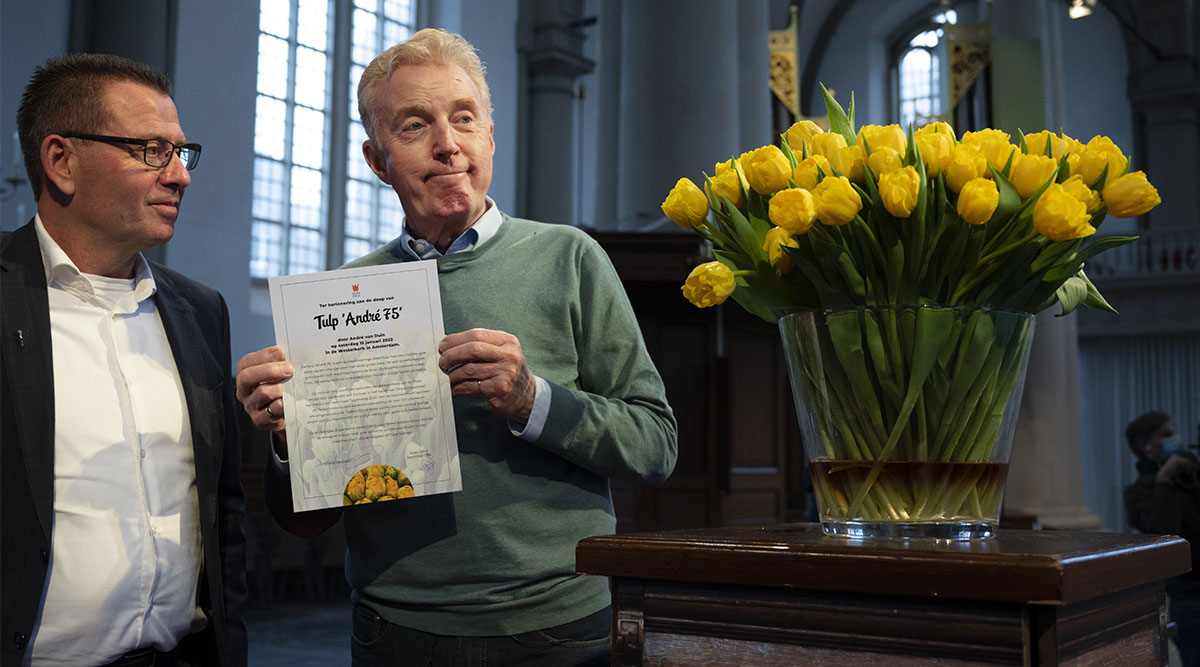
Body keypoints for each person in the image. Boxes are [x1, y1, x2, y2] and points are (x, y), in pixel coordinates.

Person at [235, 28, 677, 666]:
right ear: (376, 158)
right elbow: (306, 523)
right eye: (415, 126)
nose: (448, 145)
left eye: (463, 119)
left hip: (558, 629)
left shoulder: (569, 259)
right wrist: (284, 439)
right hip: (396, 633)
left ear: (489, 138)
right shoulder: (337, 301)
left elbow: (656, 445)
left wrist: (532, 401)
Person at [1, 53, 247, 667]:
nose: (180, 176)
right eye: (149, 150)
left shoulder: (201, 311)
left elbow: (223, 516)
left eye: (181, 152)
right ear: (61, 161)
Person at [1123, 411, 1200, 667]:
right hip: (1190, 598)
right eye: (1165, 435)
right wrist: (1165, 481)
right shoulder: (1138, 493)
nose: (1174, 438)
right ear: (1147, 447)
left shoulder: (1192, 475)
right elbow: (1164, 536)